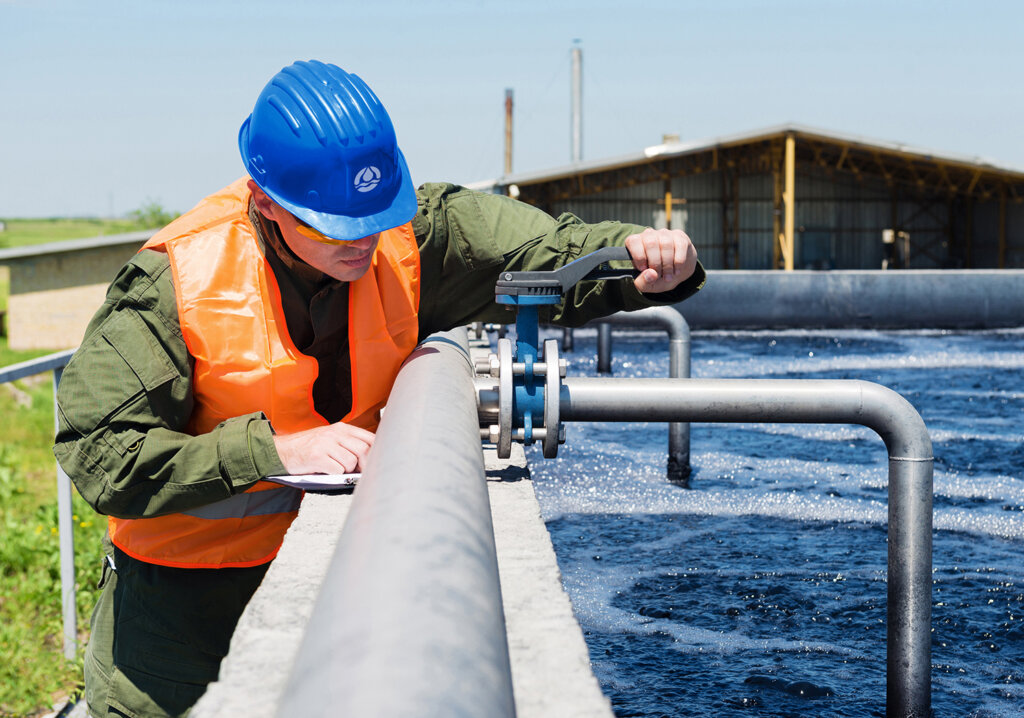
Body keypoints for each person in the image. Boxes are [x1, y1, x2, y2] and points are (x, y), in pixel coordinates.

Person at [53, 59, 704, 718]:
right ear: (269, 202)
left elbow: (550, 252)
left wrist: (640, 259)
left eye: (374, 215)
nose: (362, 240)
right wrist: (271, 451)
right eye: (336, 225)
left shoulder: (413, 233)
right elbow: (98, 453)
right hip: (177, 623)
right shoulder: (174, 284)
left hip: (346, 584)